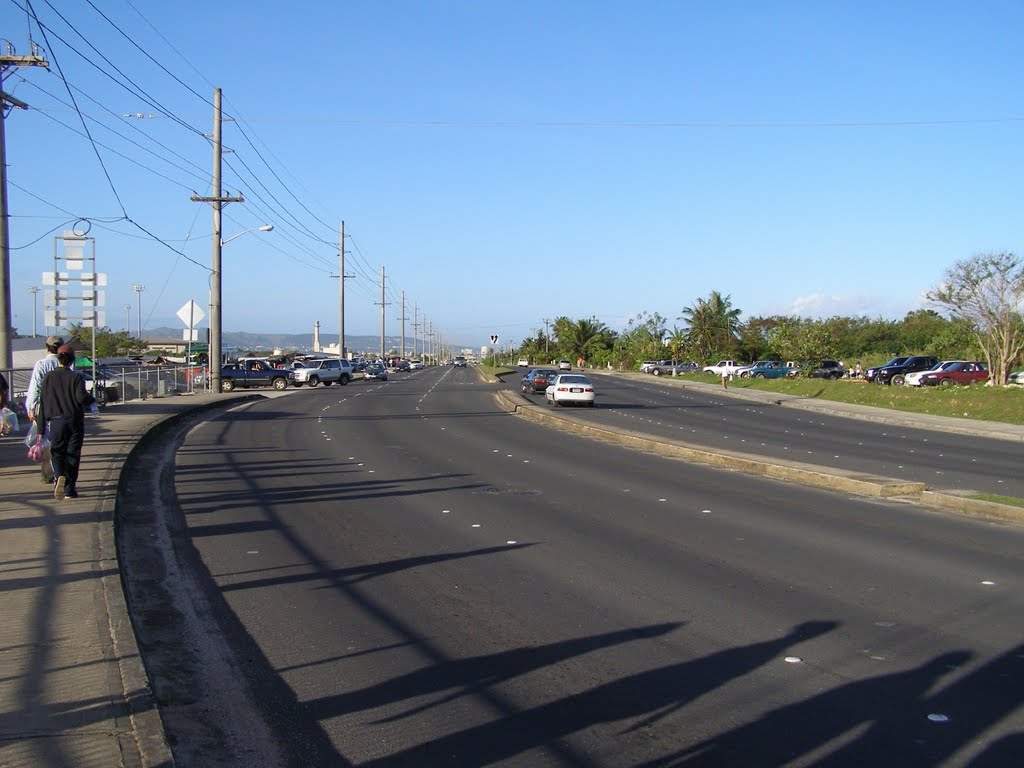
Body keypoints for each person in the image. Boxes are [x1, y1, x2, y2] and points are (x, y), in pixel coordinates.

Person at [37, 344, 95, 499]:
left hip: (55, 421)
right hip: (74, 421)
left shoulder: (48, 377)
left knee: (57, 452)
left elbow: (43, 403)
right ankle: (70, 489)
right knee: (73, 454)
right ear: (72, 360)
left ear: (58, 359)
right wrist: (92, 399)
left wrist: (40, 430)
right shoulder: (76, 377)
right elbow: (81, 397)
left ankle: (59, 476)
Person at [25, 335, 64, 484]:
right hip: (65, 407)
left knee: (47, 440)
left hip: (45, 407)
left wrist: (30, 407)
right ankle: (61, 472)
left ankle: (50, 474)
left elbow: (35, 387)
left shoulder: (41, 364)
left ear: (47, 348)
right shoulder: (67, 363)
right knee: (62, 440)